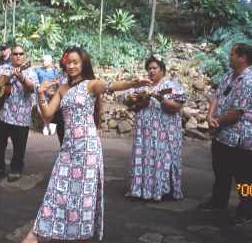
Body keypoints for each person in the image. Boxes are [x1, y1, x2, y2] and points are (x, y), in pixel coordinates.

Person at [22, 47, 153, 243]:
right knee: (57, 190)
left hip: (88, 149)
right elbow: (48, 115)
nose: (72, 65)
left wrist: (133, 82)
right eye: (69, 62)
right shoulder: (62, 89)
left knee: (84, 197)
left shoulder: (91, 85)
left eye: (76, 62)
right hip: (68, 148)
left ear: (83, 64)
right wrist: (41, 94)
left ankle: (80, 236)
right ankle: (39, 233)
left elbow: (111, 85)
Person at [198, 43, 252, 226]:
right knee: (221, 171)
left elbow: (237, 112)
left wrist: (216, 123)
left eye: (232, 54)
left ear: (243, 57)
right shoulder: (228, 76)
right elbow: (217, 97)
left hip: (240, 137)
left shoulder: (250, 81)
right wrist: (210, 116)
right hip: (222, 134)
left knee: (245, 177)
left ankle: (246, 211)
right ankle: (218, 202)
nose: (229, 56)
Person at [125, 56, 186, 202]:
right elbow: (129, 105)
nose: (151, 71)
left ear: (162, 70)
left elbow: (176, 107)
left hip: (164, 132)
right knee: (145, 158)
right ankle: (141, 189)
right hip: (144, 133)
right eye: (149, 68)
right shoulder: (142, 86)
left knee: (162, 158)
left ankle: (162, 190)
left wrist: (161, 99)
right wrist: (134, 99)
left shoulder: (171, 86)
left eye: (155, 68)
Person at [0, 44, 38, 182]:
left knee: (19, 147)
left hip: (21, 116)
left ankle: (16, 170)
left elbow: (33, 88)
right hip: (2, 113)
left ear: (24, 55)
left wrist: (22, 79)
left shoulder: (30, 71)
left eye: (21, 54)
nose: (18, 56)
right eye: (15, 54)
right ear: (11, 55)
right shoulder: (3, 68)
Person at [34, 55, 59, 136]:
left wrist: (53, 88)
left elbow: (58, 81)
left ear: (50, 62)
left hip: (51, 94)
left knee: (51, 110)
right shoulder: (38, 70)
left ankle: (46, 126)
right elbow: (35, 80)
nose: (43, 62)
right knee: (40, 110)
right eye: (42, 60)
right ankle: (47, 124)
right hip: (41, 94)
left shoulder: (55, 70)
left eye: (44, 60)